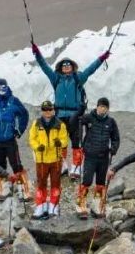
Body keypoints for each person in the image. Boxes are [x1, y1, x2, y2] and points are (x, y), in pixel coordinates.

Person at [31, 44, 109, 177]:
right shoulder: (56, 79)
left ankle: (76, 166)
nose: (66, 67)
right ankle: (63, 165)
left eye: (68, 65)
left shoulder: (78, 78)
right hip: (60, 115)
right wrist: (37, 53)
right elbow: (44, 67)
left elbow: (91, 69)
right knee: (60, 141)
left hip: (75, 115)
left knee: (76, 142)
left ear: (72, 67)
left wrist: (101, 58)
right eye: (64, 65)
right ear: (61, 68)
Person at [77, 97, 120, 219]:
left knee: (100, 183)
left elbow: (116, 138)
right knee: (87, 181)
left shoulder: (111, 122)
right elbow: (77, 121)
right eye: (101, 106)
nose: (102, 109)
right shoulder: (89, 117)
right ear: (97, 107)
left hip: (104, 157)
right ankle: (81, 204)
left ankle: (96, 205)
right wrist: (81, 109)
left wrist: (114, 149)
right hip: (90, 156)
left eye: (105, 107)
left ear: (107, 109)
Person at [28, 100, 70, 219]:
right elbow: (32, 139)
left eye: (50, 110)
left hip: (55, 159)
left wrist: (59, 143)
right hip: (41, 159)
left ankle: (54, 206)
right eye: (45, 110)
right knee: (41, 183)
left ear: (53, 110)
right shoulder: (36, 124)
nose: (48, 112)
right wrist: (37, 147)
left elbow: (65, 140)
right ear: (42, 111)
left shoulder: (60, 124)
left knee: (55, 183)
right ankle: (40, 206)